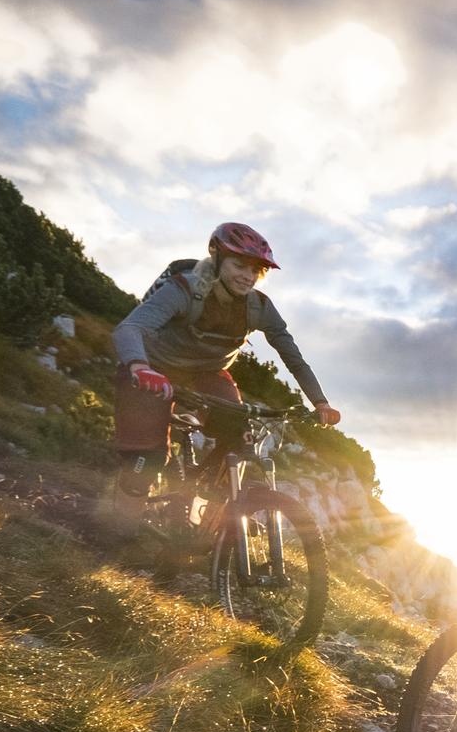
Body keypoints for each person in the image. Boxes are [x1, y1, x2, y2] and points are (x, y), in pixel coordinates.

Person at [104, 222, 340, 535]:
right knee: (146, 457)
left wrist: (320, 402)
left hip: (206, 373)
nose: (248, 275)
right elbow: (129, 329)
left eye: (255, 270)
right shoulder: (184, 290)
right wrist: (139, 367)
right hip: (152, 369)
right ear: (216, 258)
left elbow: (292, 357)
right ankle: (119, 533)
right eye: (239, 265)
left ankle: (215, 529)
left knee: (239, 438)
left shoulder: (259, 307)